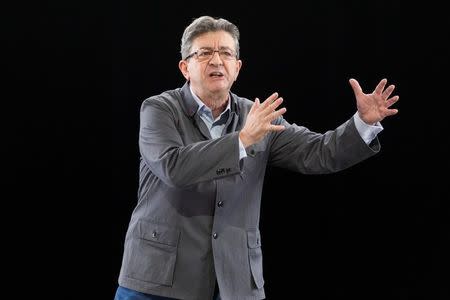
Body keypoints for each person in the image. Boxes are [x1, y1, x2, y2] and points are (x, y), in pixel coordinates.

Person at [114, 15, 399, 300]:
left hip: (234, 282)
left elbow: (320, 152)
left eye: (226, 53)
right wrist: (241, 140)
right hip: (159, 278)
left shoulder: (255, 116)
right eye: (204, 53)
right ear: (185, 67)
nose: (216, 61)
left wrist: (362, 122)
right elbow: (172, 166)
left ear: (237, 68)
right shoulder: (158, 109)